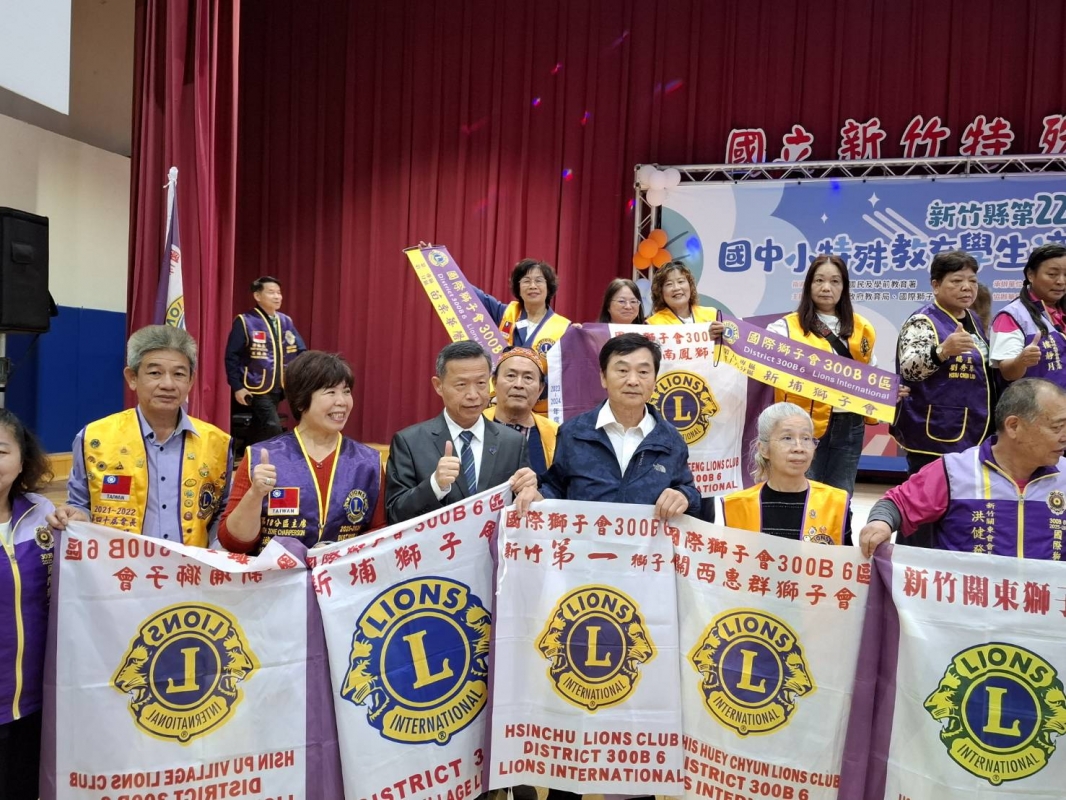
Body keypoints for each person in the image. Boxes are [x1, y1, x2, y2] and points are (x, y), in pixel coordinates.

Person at [48, 325, 232, 546]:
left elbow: (222, 511)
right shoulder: (94, 438)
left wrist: (214, 554)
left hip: (190, 566)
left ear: (191, 381)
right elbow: (81, 504)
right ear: (132, 377)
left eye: (179, 374)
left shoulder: (217, 443)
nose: (168, 384)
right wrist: (76, 516)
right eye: (155, 373)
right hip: (119, 563)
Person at [860, 378, 1066, 559]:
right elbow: (895, 504)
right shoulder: (954, 471)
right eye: (1057, 427)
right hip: (969, 592)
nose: (1064, 436)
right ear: (1013, 426)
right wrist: (880, 524)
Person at [218, 351, 384, 553]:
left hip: (341, 572)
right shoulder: (260, 457)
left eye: (346, 391)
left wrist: (340, 554)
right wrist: (255, 494)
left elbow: (381, 534)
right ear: (300, 400)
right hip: (276, 572)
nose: (342, 401)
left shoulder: (368, 462)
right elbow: (233, 542)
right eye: (331, 392)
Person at [522, 333, 701, 520]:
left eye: (643, 372)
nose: (633, 381)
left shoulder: (670, 440)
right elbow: (556, 487)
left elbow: (690, 493)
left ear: (654, 379)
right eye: (622, 370)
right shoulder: (574, 432)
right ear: (603, 377)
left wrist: (684, 496)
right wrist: (540, 496)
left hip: (647, 539)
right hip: (586, 537)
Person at [385, 341, 538, 524]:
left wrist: (531, 492)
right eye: (461, 385)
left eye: (481, 383)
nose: (473, 395)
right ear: (438, 385)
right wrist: (435, 485)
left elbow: (524, 511)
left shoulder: (513, 443)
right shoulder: (409, 442)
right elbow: (394, 515)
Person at [767, 254, 876, 496]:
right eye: (819, 280)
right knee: (800, 492)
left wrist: (889, 393)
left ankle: (839, 525)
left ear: (844, 287)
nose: (827, 288)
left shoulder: (863, 328)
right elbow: (757, 352)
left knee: (841, 495)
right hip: (802, 423)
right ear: (809, 285)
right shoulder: (785, 327)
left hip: (850, 424)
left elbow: (871, 375)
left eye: (835, 281)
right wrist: (728, 334)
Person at [891, 251, 991, 476]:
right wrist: (942, 351)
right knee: (930, 493)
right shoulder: (923, 320)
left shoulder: (972, 318)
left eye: (972, 281)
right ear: (936, 285)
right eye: (957, 281)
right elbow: (909, 368)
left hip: (971, 425)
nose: (967, 287)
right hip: (935, 428)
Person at [0, 410, 55, 800]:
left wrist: (77, 523)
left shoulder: (42, 514)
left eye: (1, 451)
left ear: (22, 460)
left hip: (34, 706)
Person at [722, 403, 850, 545]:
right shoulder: (738, 506)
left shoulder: (835, 503)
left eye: (806, 438)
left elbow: (847, 558)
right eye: (787, 438)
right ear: (763, 449)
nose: (799, 448)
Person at [225, 276, 307, 446]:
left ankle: (249, 454)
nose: (277, 296)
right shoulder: (245, 321)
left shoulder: (285, 321)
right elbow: (232, 356)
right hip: (255, 385)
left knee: (259, 426)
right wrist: (237, 387)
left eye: (279, 293)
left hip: (279, 384)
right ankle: (280, 456)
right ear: (257, 296)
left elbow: (301, 350)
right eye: (271, 292)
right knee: (272, 425)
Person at [990, 243, 1066, 388]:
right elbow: (1007, 372)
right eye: (1052, 274)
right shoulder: (1012, 315)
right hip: (1036, 401)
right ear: (1030, 275)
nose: (1061, 281)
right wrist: (1020, 361)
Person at [483, 348, 559, 474]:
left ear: (540, 389)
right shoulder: (474, 425)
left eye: (528, 378)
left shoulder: (556, 434)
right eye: (511, 376)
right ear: (494, 382)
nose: (519, 384)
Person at [645, 262, 722, 335]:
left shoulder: (712, 314)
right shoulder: (653, 325)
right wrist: (705, 337)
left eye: (681, 281)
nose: (676, 288)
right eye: (669, 284)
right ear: (660, 291)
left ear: (690, 286)